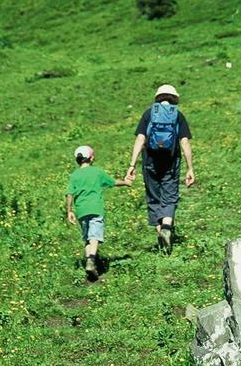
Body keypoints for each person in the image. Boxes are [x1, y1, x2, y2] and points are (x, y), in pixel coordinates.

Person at [125, 84, 195, 252]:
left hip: (150, 161)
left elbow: (140, 139)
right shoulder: (177, 115)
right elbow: (184, 142)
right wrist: (190, 168)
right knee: (169, 196)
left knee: (154, 196)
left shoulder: (149, 114)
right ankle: (166, 228)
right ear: (174, 98)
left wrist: (132, 164)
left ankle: (161, 235)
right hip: (171, 162)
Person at [66, 145, 130, 280]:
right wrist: (125, 183)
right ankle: (91, 260)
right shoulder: (97, 172)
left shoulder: (74, 175)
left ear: (77, 160)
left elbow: (70, 193)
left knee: (87, 239)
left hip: (81, 211)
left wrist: (69, 211)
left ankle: (91, 266)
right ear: (92, 158)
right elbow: (112, 182)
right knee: (95, 236)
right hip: (95, 209)